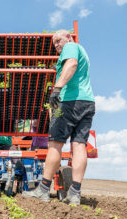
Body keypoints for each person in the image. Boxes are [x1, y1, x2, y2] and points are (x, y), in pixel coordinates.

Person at [23, 30, 95, 205]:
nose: (56, 45)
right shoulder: (82, 50)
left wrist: (57, 88)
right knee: (79, 145)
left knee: (55, 143)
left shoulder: (70, 47)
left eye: (58, 40)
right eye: (54, 42)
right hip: (87, 103)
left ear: (69, 37)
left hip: (68, 103)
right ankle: (75, 193)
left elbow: (71, 64)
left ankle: (44, 189)